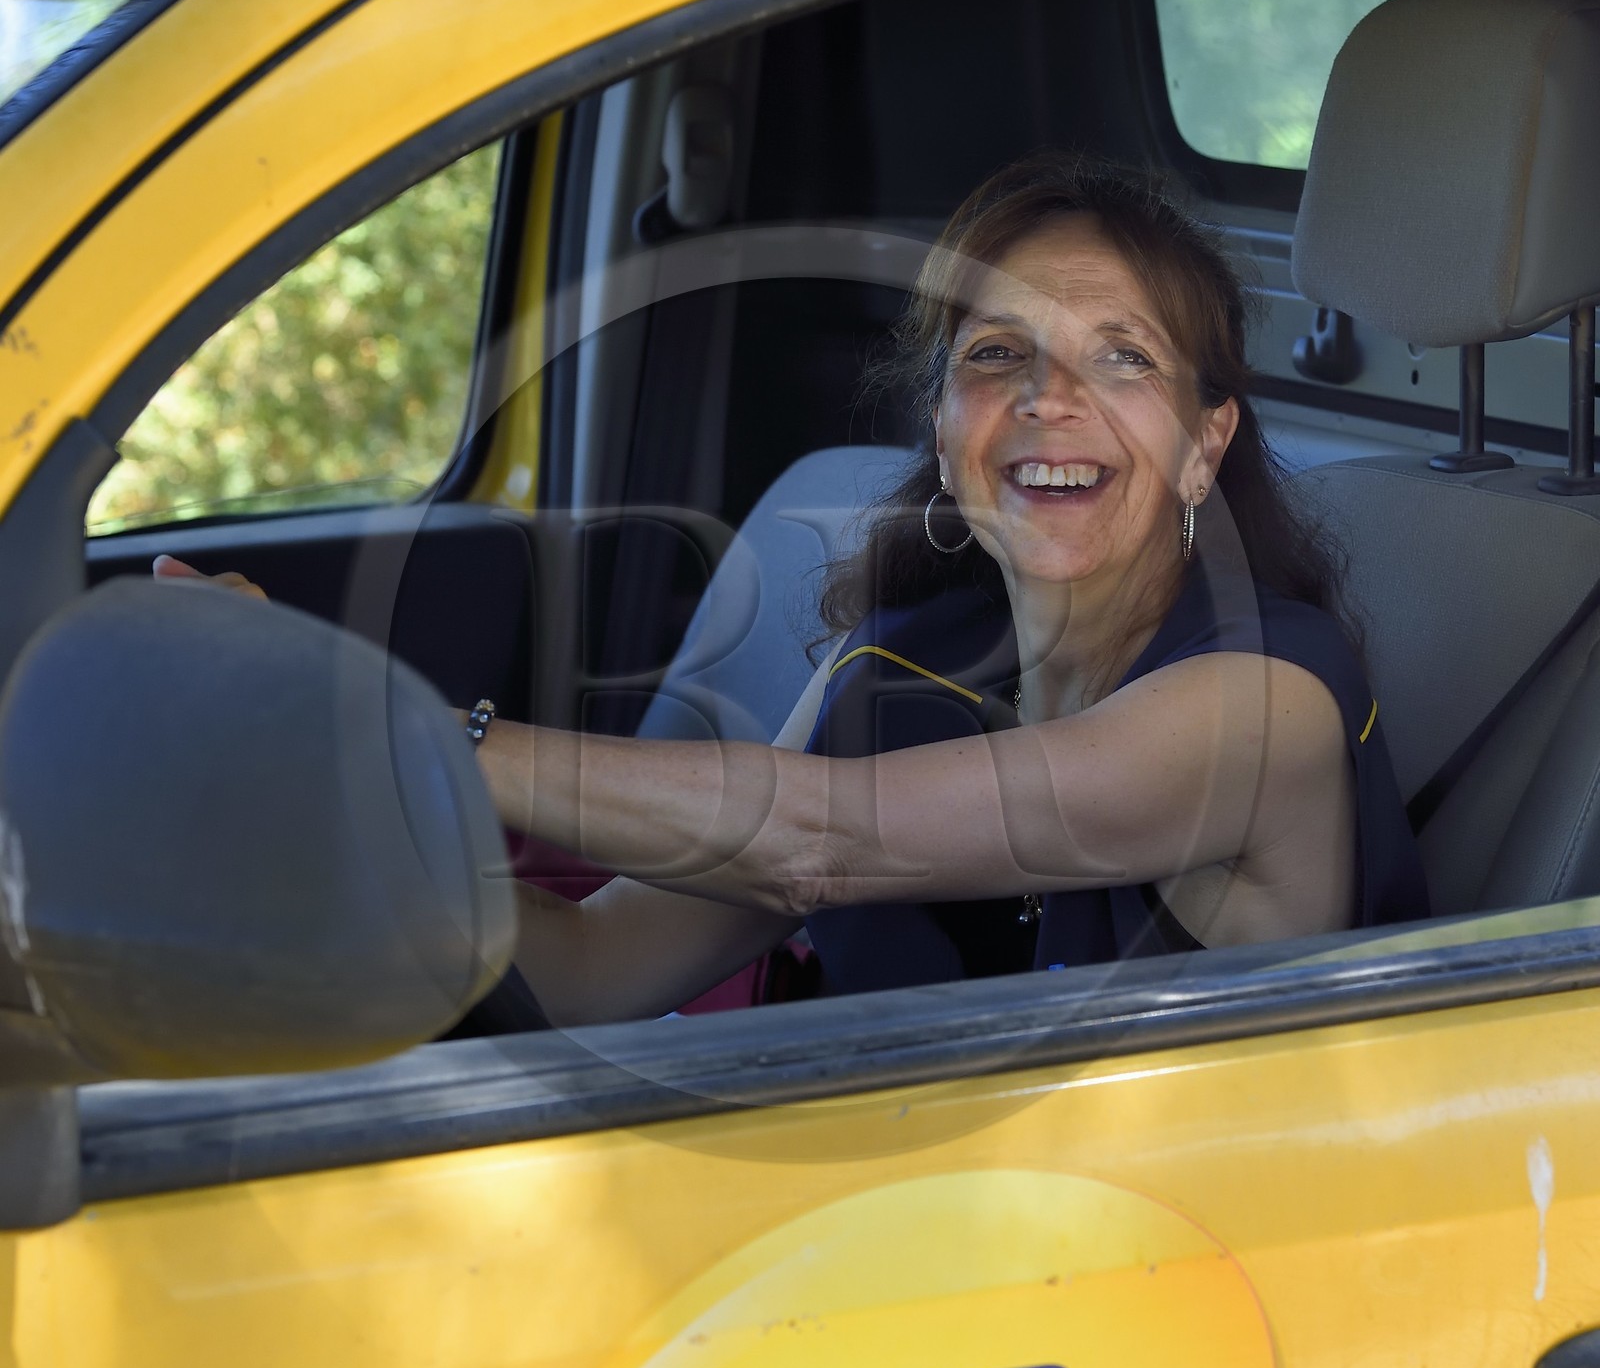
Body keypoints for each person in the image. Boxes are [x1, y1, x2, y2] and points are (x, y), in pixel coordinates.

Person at [158, 154, 1427, 1022]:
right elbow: (599, 966)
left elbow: (818, 843)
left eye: (1122, 358)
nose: (1052, 400)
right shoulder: (891, 669)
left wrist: (403, 734)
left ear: (1207, 443)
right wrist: (327, 827)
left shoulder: (1264, 702)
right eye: (998, 355)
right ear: (943, 431)